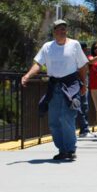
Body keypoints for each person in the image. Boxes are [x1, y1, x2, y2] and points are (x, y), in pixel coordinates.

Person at [21, 19, 88, 161]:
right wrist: (27, 75)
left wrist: (84, 84)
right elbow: (38, 64)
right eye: (59, 29)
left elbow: (82, 66)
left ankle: (70, 149)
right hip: (54, 86)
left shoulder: (74, 45)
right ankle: (62, 149)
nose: (62, 31)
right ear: (54, 32)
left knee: (67, 116)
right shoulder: (47, 47)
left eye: (64, 28)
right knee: (54, 121)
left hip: (71, 85)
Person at [76, 41, 94, 138]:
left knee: (84, 107)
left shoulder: (83, 58)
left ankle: (84, 129)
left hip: (84, 85)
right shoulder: (77, 58)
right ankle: (84, 129)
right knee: (79, 108)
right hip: (79, 86)